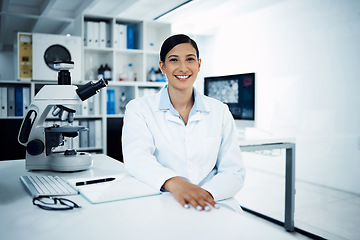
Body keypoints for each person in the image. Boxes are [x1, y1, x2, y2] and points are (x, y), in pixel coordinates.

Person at [122, 34, 245, 212]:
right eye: (174, 60)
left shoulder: (220, 111)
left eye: (190, 59)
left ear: (199, 65)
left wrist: (204, 194)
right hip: (165, 201)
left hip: (213, 201)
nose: (183, 67)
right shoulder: (139, 109)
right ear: (162, 67)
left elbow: (233, 170)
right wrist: (176, 183)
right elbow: (137, 159)